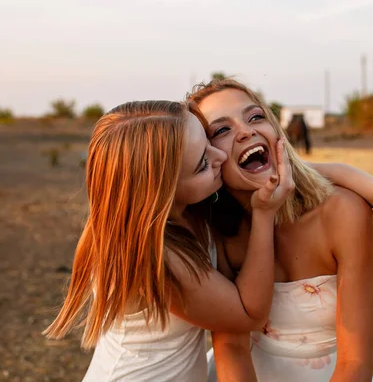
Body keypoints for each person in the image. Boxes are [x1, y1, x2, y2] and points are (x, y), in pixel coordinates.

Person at [43, 100, 295, 381]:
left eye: (208, 139)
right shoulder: (153, 254)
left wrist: (347, 176)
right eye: (202, 165)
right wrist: (263, 215)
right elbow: (249, 316)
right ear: (162, 191)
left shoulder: (179, 211)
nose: (220, 157)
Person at [188, 78, 373, 381]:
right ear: (208, 157)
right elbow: (231, 346)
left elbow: (356, 363)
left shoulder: (344, 213)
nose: (246, 131)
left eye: (255, 116)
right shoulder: (217, 229)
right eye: (222, 130)